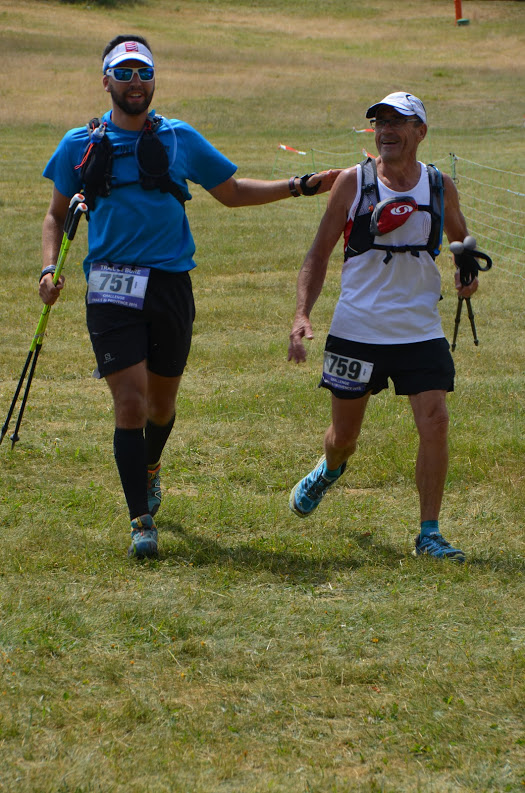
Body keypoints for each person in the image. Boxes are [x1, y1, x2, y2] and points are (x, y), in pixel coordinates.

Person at [39, 34, 339, 559]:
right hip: (110, 286)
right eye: (124, 73)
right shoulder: (77, 144)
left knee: (161, 405)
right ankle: (140, 520)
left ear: (154, 79)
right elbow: (56, 212)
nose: (136, 82)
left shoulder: (178, 138)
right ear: (105, 80)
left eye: (143, 72)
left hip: (171, 285)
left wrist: (301, 184)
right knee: (129, 404)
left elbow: (232, 192)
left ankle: (151, 466)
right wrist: (48, 268)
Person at [287, 91, 481, 562]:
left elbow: (460, 238)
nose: (387, 130)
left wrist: (467, 270)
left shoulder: (438, 185)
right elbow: (318, 253)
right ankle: (330, 469)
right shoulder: (353, 184)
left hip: (420, 328)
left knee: (435, 422)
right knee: (345, 438)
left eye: (399, 122)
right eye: (380, 122)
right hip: (357, 329)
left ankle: (429, 534)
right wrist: (302, 314)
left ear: (421, 132)